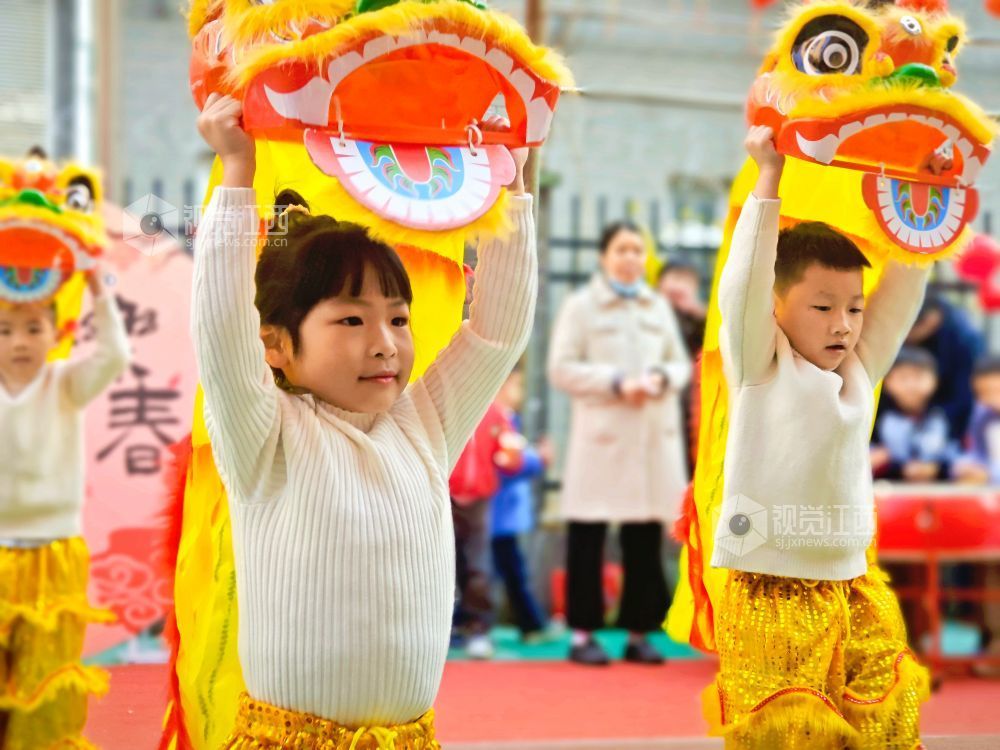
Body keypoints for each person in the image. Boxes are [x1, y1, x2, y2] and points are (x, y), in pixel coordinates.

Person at [193, 93, 536, 747]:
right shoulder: (263, 434)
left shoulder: (424, 425)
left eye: (398, 318)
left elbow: (498, 332)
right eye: (351, 319)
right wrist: (237, 174)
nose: (385, 343)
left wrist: (515, 194)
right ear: (275, 344)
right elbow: (219, 322)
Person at [705, 125, 930, 748]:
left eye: (854, 308)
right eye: (822, 306)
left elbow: (907, 284)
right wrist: (769, 179)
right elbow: (742, 284)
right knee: (789, 736)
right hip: (770, 592)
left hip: (853, 586)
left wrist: (930, 192)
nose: (844, 325)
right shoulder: (758, 363)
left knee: (883, 724)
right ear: (777, 309)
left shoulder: (860, 367)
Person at [548, 219, 691, 667]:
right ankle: (582, 633)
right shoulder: (582, 306)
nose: (631, 258)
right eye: (622, 249)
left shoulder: (657, 306)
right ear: (603, 257)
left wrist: (661, 377)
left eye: (637, 249)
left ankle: (638, 633)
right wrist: (615, 382)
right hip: (604, 438)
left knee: (644, 537)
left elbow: (681, 364)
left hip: (651, 438)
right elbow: (561, 368)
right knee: (588, 535)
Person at [0, 265, 129, 749]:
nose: (19, 342)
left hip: (53, 552)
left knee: (43, 673)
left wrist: (99, 292)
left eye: (33, 328)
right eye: (5, 329)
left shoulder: (66, 383)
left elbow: (114, 355)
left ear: (56, 332)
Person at [489, 366, 553, 642]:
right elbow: (509, 463)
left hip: (501, 514)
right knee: (509, 572)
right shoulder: (496, 421)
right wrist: (539, 459)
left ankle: (531, 623)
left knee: (509, 571)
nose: (520, 394)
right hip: (497, 514)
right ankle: (530, 624)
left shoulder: (507, 419)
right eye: (515, 386)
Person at [449, 402, 507, 660]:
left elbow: (506, 454)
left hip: (480, 498)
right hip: (443, 493)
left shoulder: (495, 412)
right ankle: (445, 627)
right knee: (441, 565)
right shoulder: (443, 402)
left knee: (478, 565)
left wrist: (511, 458)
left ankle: (478, 627)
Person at [895, 293, 984, 441]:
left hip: (946, 417)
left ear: (930, 321)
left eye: (908, 330)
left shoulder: (964, 339)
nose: (904, 337)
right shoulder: (922, 306)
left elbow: (964, 396)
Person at [871, 346, 958, 482]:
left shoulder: (946, 415)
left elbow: (958, 453)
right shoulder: (875, 416)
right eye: (903, 378)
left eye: (918, 377)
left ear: (935, 380)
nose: (911, 385)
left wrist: (937, 467)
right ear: (887, 382)